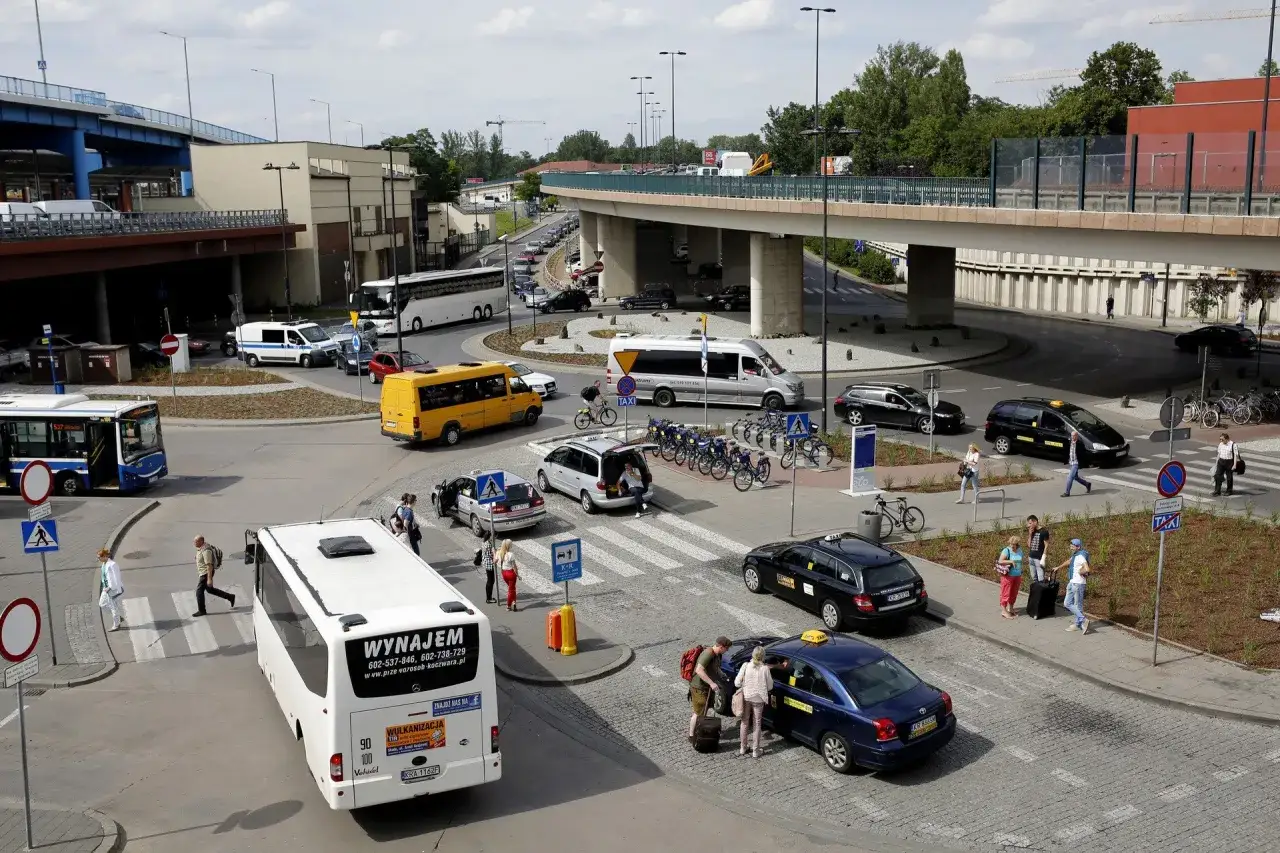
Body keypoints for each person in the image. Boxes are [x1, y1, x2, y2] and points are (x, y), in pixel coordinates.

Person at [733, 645, 774, 758]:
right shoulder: (765, 669)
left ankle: (743, 747)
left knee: (744, 722)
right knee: (757, 723)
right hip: (759, 699)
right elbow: (770, 686)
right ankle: (756, 750)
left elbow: (736, 683)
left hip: (746, 696)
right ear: (763, 657)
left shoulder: (745, 666)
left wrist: (746, 684)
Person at [688, 636, 731, 742]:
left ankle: (699, 729)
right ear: (721, 646)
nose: (727, 650)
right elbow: (699, 670)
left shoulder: (717, 655)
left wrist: (723, 675)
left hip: (705, 687)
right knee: (698, 713)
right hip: (699, 687)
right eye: (726, 648)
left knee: (703, 710)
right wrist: (712, 683)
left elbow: (716, 668)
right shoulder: (708, 654)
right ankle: (692, 735)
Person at [1054, 538, 1091, 634]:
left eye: (1073, 545)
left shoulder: (1080, 556)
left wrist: (1080, 571)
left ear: (1078, 547)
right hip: (1072, 582)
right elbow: (1069, 561)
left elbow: (1087, 569)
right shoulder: (1075, 555)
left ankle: (1079, 623)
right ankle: (1082, 620)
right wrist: (1058, 567)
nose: (1071, 546)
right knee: (1067, 603)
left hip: (1078, 584)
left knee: (1078, 605)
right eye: (1071, 545)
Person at [192, 535, 235, 617]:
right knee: (210, 590)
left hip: (206, 573)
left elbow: (209, 565)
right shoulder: (201, 548)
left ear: (201, 541)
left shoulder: (206, 551)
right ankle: (230, 597)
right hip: (204, 573)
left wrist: (209, 579)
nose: (194, 543)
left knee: (199, 591)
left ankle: (202, 610)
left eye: (195, 541)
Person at [996, 535, 1024, 619]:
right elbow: (1000, 561)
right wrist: (1011, 561)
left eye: (1014, 544)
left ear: (1017, 544)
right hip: (1008, 576)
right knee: (1006, 593)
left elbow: (1020, 561)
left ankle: (1011, 608)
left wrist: (1020, 570)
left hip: (1017, 575)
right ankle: (1004, 611)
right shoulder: (1006, 550)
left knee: (1014, 593)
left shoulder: (1020, 550)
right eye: (1011, 544)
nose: (1012, 546)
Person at [97, 547, 125, 632]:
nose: (98, 559)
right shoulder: (104, 564)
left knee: (113, 607)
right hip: (106, 589)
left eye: (99, 557)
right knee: (102, 604)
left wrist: (111, 587)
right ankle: (118, 618)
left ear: (105, 556)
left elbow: (116, 577)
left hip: (112, 589)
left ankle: (116, 624)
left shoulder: (112, 564)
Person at [1062, 430, 1093, 497]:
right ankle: (1087, 484)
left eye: (1074, 436)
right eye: (1072, 435)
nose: (1073, 437)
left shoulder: (1079, 444)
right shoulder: (1069, 442)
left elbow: (1084, 454)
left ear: (1077, 436)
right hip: (1071, 462)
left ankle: (1067, 493)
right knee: (1075, 477)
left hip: (1076, 463)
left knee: (1070, 477)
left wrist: (1087, 462)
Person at [1213, 432, 1240, 497]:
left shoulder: (1233, 445)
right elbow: (1219, 454)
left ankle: (1229, 491)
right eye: (1220, 439)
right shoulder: (1221, 444)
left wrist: (1234, 465)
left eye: (1222, 439)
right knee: (1217, 476)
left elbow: (1236, 455)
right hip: (1221, 461)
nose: (1221, 441)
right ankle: (1217, 491)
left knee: (1229, 477)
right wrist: (1216, 463)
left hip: (1229, 462)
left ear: (1227, 439)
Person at [496, 539, 520, 611]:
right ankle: (509, 606)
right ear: (509, 546)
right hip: (511, 574)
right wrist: (518, 575)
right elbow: (514, 567)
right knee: (511, 590)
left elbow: (495, 560)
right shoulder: (511, 554)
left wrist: (494, 552)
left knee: (512, 589)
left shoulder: (499, 552)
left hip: (504, 573)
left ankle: (514, 602)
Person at [1026, 515, 1050, 583]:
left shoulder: (1044, 531)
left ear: (1035, 522)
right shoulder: (1032, 531)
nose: (1029, 525)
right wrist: (1030, 534)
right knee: (1034, 578)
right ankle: (1036, 592)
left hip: (1038, 558)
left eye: (1030, 523)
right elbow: (1029, 545)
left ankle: (1042, 592)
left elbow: (1046, 545)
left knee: (1041, 578)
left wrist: (1043, 557)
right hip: (1031, 557)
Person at [479, 532, 497, 604]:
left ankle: (489, 597)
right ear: (490, 536)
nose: (494, 537)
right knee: (491, 581)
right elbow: (491, 555)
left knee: (490, 580)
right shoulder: (489, 544)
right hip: (489, 564)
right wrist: (495, 553)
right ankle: (489, 598)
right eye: (493, 536)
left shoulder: (484, 542)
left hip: (486, 563)